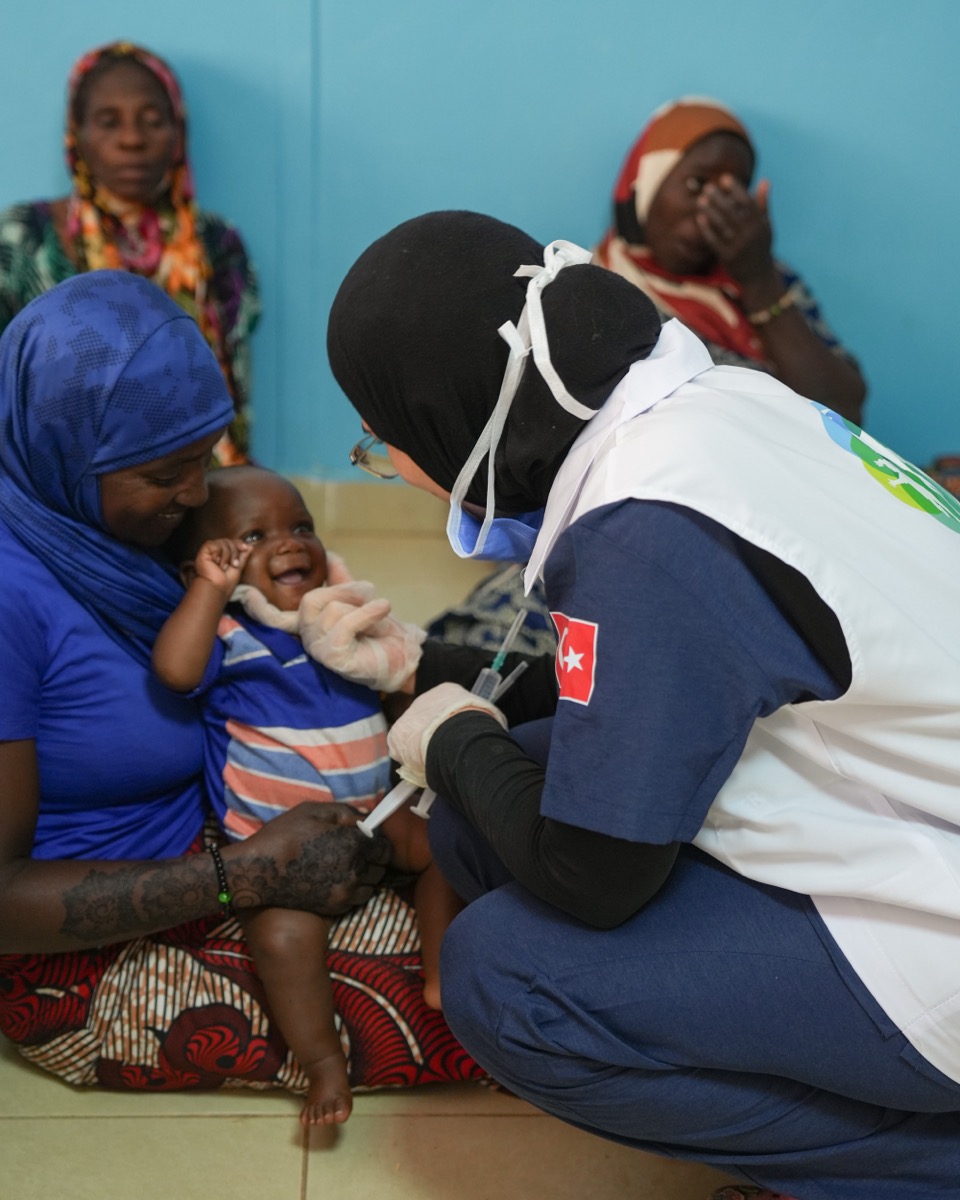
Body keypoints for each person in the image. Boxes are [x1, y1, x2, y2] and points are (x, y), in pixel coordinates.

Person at [319, 209, 960, 1200]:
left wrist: (450, 743)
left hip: (932, 918)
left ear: (450, 415)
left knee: (505, 979)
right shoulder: (714, 404)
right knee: (486, 817)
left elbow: (594, 878)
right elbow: (653, 672)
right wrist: (423, 663)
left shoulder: (647, 532)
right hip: (901, 799)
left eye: (383, 440)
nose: (394, 468)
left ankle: (920, 1167)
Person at [0, 270, 484, 1101]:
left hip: (227, 843)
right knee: (502, 1005)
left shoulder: (114, 538)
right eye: (167, 473)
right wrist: (245, 875)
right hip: (84, 952)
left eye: (205, 457)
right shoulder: (13, 599)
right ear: (67, 454)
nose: (196, 495)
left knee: (493, 881)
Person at [152, 465, 464, 1122]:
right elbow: (176, 671)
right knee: (281, 939)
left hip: (376, 815)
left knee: (452, 842)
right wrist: (210, 592)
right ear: (206, 567)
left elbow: (394, 680)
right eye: (254, 536)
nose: (289, 542)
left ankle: (443, 975)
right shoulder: (229, 636)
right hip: (280, 847)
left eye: (301, 526)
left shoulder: (337, 624)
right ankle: (323, 1065)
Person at [0, 40, 259, 464]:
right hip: (58, 478)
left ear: (178, 131)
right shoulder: (23, 237)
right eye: (108, 122)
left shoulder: (217, 242)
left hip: (200, 473)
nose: (132, 140)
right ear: (77, 134)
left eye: (153, 121)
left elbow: (236, 388)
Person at [593, 96, 866, 426]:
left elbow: (844, 413)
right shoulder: (596, 294)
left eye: (731, 192)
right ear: (647, 179)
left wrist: (759, 282)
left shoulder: (767, 275)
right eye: (696, 184)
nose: (710, 212)